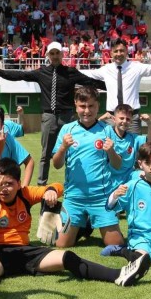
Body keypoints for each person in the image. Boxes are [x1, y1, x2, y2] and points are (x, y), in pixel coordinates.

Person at [0, 159, 151, 299]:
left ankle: (119, 275)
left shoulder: (25, 194)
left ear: (18, 184)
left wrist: (51, 190)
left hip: (25, 253)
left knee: (67, 257)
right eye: (0, 184)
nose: (4, 189)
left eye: (9, 184)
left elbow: (58, 187)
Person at [0, 41, 105, 185]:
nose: (55, 56)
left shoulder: (71, 72)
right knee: (45, 154)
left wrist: (115, 88)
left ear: (62, 54)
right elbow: (19, 75)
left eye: (57, 53)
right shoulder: (42, 72)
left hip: (67, 117)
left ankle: (73, 182)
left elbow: (91, 82)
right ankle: (41, 185)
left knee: (72, 151)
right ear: (47, 55)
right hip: (48, 117)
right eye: (52, 53)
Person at [52, 86, 123, 248]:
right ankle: (82, 226)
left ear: (98, 106)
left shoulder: (107, 130)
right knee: (61, 245)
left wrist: (111, 150)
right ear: (76, 106)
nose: (87, 111)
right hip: (74, 198)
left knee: (116, 245)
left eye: (91, 106)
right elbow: (56, 165)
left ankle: (88, 222)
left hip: (100, 197)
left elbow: (117, 165)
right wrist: (63, 147)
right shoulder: (67, 129)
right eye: (82, 106)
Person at [84, 39, 151, 133]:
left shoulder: (136, 67)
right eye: (116, 51)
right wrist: (67, 71)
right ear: (111, 53)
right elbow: (85, 74)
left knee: (134, 152)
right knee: (110, 152)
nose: (119, 53)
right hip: (111, 118)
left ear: (127, 51)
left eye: (122, 50)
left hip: (131, 118)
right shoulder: (106, 70)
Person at [102, 104, 151, 186]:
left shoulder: (133, 138)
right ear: (114, 119)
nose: (124, 121)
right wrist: (101, 118)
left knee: (149, 177)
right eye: (121, 118)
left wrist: (149, 123)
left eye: (128, 119)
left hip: (129, 177)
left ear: (131, 121)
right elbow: (92, 132)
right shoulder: (107, 132)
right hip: (110, 178)